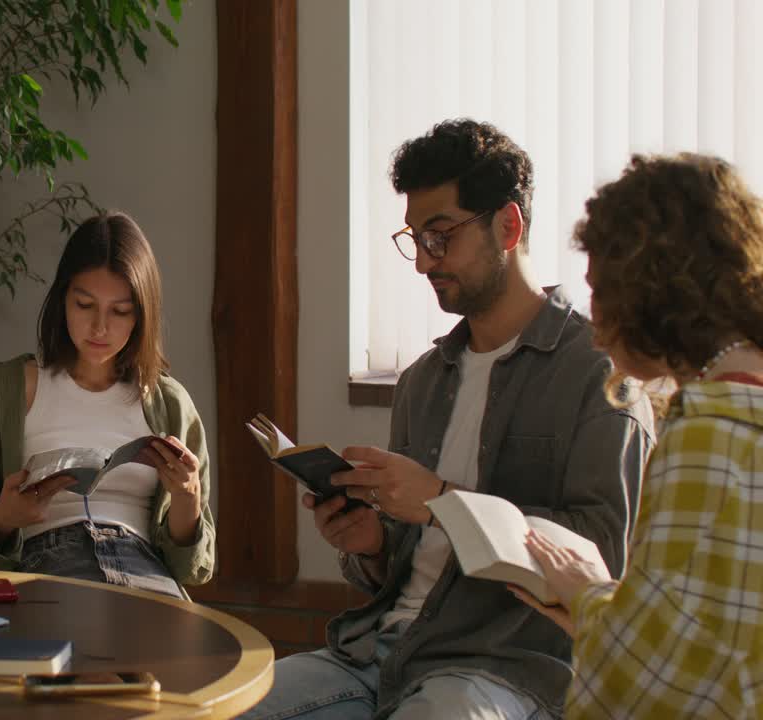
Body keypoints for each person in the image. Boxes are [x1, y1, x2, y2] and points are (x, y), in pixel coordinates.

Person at [240, 119, 653, 719]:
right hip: (379, 652)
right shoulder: (423, 382)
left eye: (440, 236)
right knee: (218, 709)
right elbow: (407, 559)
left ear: (508, 226)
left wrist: (441, 501)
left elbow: (603, 555)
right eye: (414, 238)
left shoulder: (601, 374)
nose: (421, 262)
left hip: (501, 668)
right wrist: (373, 544)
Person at [515, 154, 763, 719]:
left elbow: (649, 676)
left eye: (601, 291)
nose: (596, 328)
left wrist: (587, 593)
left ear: (651, 290)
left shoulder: (708, 435)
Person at [0, 211, 215, 599]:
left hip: (142, 566)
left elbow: (192, 569)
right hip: (46, 560)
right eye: (84, 305)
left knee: (168, 633)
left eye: (120, 311)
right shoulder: (13, 390)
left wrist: (187, 498)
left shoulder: (170, 404)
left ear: (142, 315)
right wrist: (3, 519)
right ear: (62, 300)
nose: (100, 327)